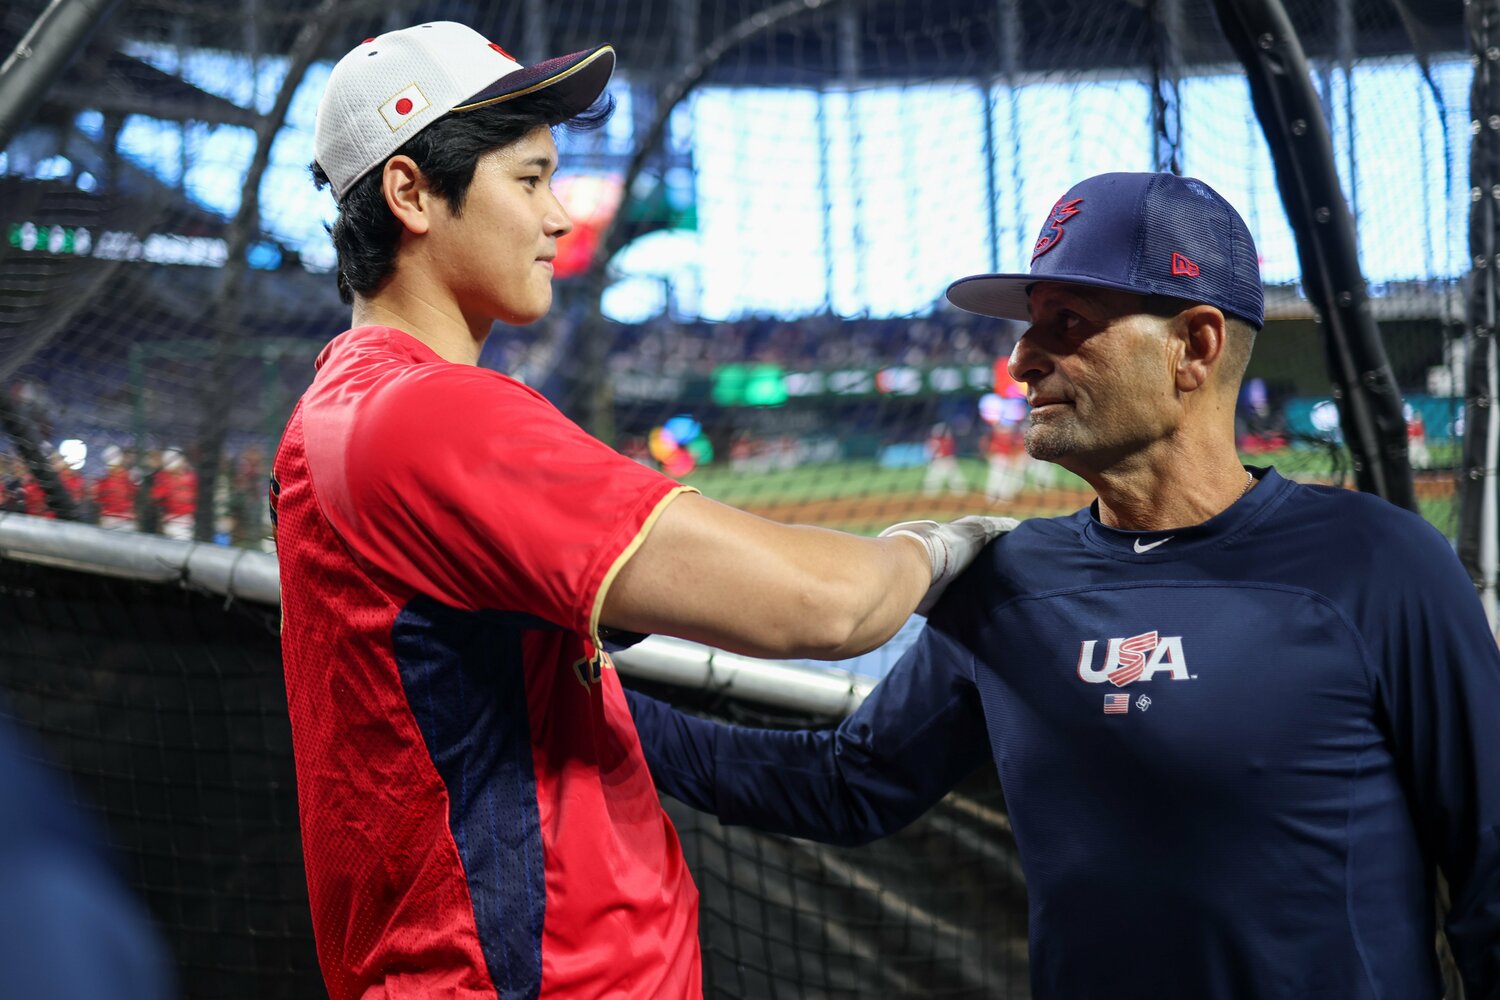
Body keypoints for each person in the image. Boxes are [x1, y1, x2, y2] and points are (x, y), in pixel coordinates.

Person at [628, 172, 1500, 999]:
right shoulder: (1009, 581)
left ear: (1194, 346)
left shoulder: (1377, 564)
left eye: (1068, 322)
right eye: (1029, 323)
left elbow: (1491, 864)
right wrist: (589, 697)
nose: (1020, 358)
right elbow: (845, 786)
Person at [272, 22, 1009, 1000]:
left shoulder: (342, 405)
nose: (559, 217)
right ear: (411, 193)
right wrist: (953, 545)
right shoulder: (425, 415)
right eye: (530, 180)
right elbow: (822, 606)